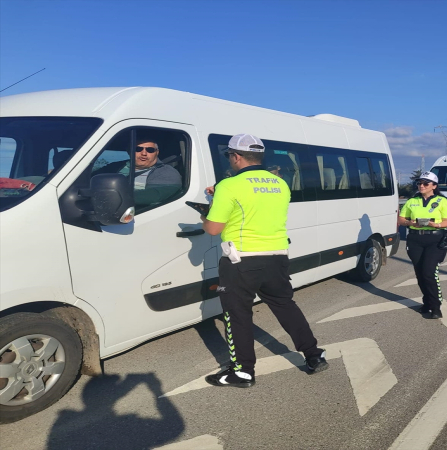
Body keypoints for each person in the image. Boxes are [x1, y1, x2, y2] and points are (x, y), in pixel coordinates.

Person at [201, 133, 328, 388]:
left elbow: (213, 229)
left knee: (237, 315)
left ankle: (243, 372)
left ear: (236, 156)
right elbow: (258, 204)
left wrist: (207, 212)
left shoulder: (229, 185)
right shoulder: (280, 184)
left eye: (229, 156)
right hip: (277, 256)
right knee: (285, 306)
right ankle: (314, 355)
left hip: (242, 261)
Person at [397, 172, 447, 319]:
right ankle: (427, 302)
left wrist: (436, 224)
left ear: (434, 186)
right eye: (419, 183)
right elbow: (401, 219)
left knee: (429, 273)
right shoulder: (412, 201)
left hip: (435, 240)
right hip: (415, 240)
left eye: (425, 183)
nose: (421, 186)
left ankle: (436, 306)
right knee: (420, 274)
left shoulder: (443, 201)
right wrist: (410, 223)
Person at [110, 138, 182, 206]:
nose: (144, 153)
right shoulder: (114, 167)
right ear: (129, 151)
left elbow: (152, 196)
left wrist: (111, 197)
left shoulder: (166, 172)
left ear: (157, 152)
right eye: (138, 149)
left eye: (150, 150)